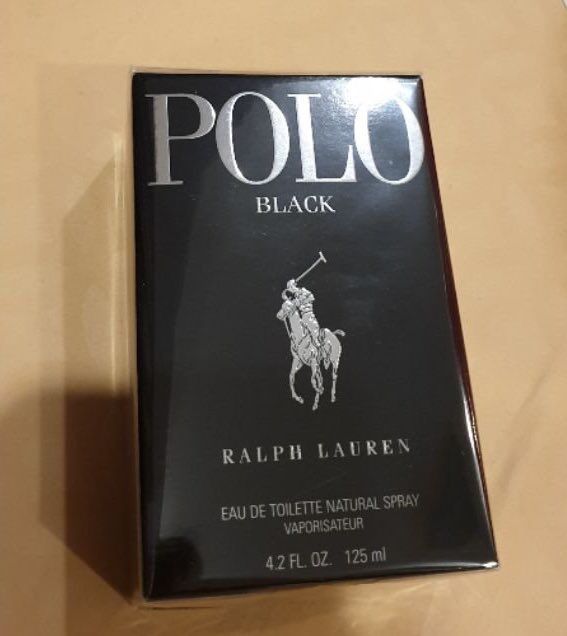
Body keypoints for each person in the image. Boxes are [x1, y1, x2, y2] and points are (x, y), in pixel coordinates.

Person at [285, 279, 323, 350]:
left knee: (312, 324)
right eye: (289, 289)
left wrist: (302, 300)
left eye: (290, 288)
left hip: (308, 312)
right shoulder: (296, 296)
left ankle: (316, 340)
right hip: (303, 315)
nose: (291, 290)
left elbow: (311, 297)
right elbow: (293, 305)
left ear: (294, 286)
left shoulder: (303, 291)